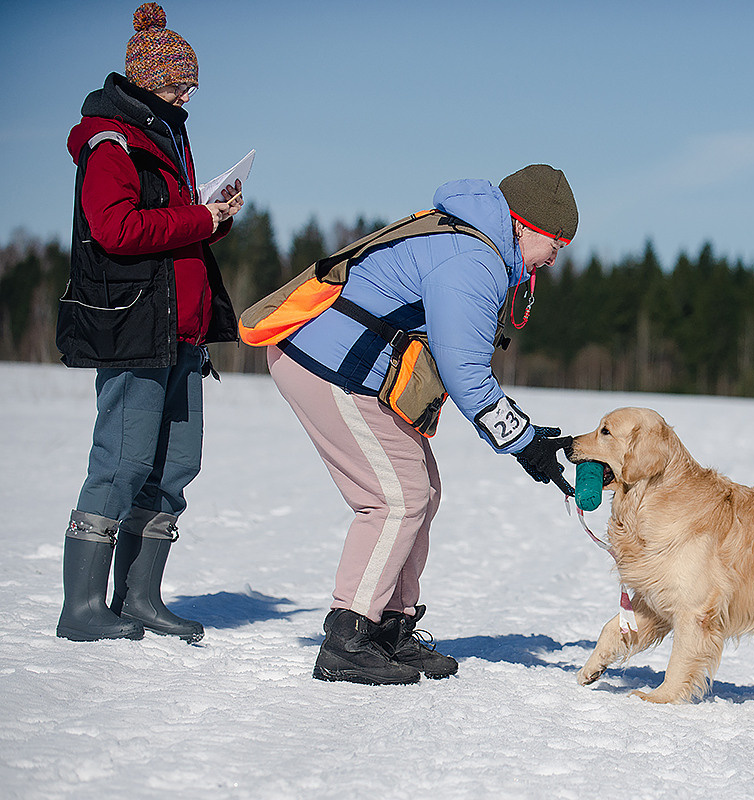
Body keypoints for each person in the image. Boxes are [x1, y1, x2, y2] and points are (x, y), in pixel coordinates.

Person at [267, 165, 578, 685]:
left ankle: (391, 627)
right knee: (397, 497)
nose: (554, 258)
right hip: (325, 366)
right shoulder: (473, 259)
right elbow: (466, 374)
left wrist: (523, 434)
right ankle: (349, 637)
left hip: (350, 371)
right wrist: (524, 443)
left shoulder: (470, 242)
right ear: (525, 225)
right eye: (555, 244)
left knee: (423, 491)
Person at [55, 3, 242, 644]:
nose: (188, 95)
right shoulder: (111, 143)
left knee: (173, 466)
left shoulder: (166, 137)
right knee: (122, 461)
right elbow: (116, 230)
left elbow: (168, 227)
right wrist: (201, 221)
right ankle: (80, 607)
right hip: (135, 329)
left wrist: (212, 214)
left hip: (181, 332)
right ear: (144, 80)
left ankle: (138, 597)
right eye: (177, 84)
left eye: (190, 85)